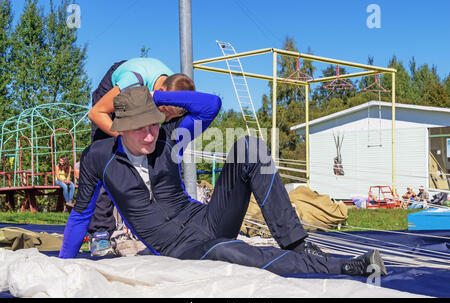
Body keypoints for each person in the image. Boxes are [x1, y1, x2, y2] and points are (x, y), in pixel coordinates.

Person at [59, 87, 387, 278]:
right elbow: (80, 215)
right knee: (230, 250)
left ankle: (298, 244)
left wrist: (153, 96)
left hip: (208, 218)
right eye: (140, 128)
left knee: (250, 147)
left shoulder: (169, 138)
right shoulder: (98, 158)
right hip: (180, 248)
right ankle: (343, 266)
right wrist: (63, 266)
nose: (150, 134)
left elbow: (211, 105)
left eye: (154, 124)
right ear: (120, 127)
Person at [87, 57, 191, 257]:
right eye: (164, 113)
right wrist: (124, 138)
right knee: (108, 161)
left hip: (148, 91)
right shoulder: (131, 83)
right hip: (112, 98)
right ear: (159, 95)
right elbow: (95, 113)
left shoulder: (176, 87)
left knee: (155, 158)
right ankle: (99, 233)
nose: (165, 120)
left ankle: (155, 227)